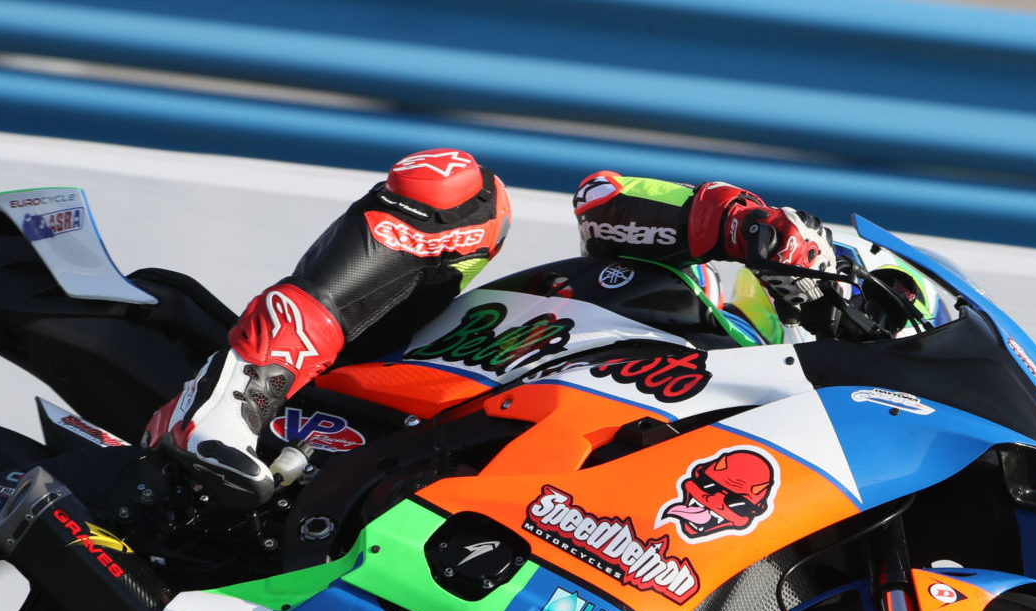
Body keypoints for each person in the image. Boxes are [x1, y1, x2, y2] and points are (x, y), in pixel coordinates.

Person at [142, 148, 840, 505]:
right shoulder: (700, 291)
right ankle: (228, 402)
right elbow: (602, 200)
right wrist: (739, 222)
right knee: (461, 187)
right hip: (406, 363)